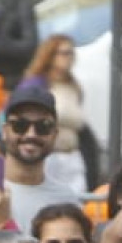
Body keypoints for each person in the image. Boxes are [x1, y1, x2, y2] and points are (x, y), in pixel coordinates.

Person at [0, 84, 78, 235]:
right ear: (4, 131)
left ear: (55, 135)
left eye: (43, 126)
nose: (31, 134)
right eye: (20, 125)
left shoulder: (66, 200)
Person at [22, 35, 92, 191]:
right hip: (47, 155)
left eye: (72, 53)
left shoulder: (73, 86)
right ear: (51, 55)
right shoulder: (37, 85)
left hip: (71, 154)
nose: (69, 58)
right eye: (64, 53)